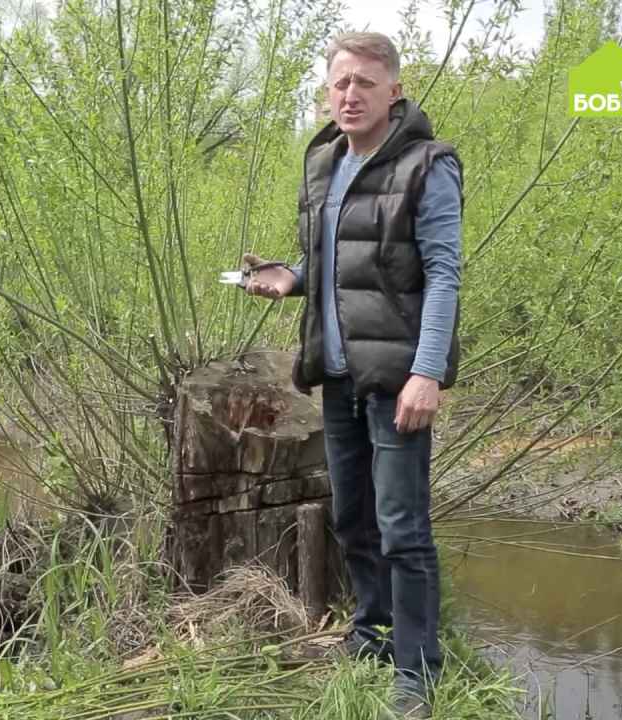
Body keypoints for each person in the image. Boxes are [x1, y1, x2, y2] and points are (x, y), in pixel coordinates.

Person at [242, 31, 463, 719]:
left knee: (403, 527)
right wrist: (291, 278)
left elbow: (443, 277)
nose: (350, 94)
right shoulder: (326, 163)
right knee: (353, 518)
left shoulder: (428, 166)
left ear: (394, 90)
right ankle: (370, 635)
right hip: (337, 375)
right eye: (341, 82)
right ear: (327, 90)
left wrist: (426, 373)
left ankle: (417, 668)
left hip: (397, 378)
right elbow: (342, 265)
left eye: (365, 82)